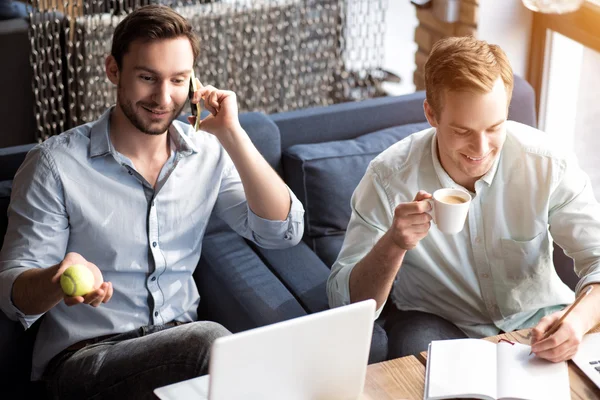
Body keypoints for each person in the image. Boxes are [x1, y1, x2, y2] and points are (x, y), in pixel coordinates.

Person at [0, 5, 304, 399]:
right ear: (113, 70)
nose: (164, 98)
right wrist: (57, 277)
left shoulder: (207, 152)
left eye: (178, 80)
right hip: (88, 360)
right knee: (212, 345)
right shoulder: (54, 164)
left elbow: (283, 232)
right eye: (147, 78)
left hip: (181, 350)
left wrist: (233, 134)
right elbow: (12, 295)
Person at [327, 36, 600, 363]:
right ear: (431, 114)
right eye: (462, 131)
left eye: (494, 127)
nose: (481, 148)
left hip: (538, 318)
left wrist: (577, 322)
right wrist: (394, 243)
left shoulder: (548, 164)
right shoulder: (388, 178)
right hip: (436, 322)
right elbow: (344, 305)